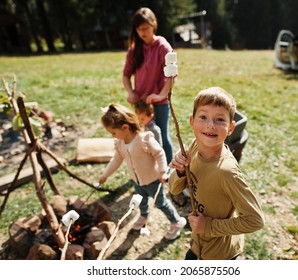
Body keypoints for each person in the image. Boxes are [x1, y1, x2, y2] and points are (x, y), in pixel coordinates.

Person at [168, 87, 265, 259]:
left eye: (220, 119)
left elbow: (255, 220)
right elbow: (174, 190)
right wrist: (181, 171)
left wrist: (208, 227)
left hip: (221, 254)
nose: (210, 125)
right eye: (203, 117)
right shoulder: (194, 146)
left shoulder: (226, 172)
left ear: (230, 128)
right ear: (192, 121)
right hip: (198, 244)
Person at [98, 103, 186, 240]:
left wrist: (163, 171)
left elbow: (159, 153)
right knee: (141, 201)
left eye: (113, 132)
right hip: (137, 181)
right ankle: (144, 216)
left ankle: (177, 221)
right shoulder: (120, 144)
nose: (112, 136)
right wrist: (105, 175)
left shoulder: (144, 139)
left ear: (125, 127)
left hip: (153, 180)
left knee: (160, 203)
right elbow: (116, 160)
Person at [122, 7, 174, 165]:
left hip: (159, 103)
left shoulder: (163, 47)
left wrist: (160, 95)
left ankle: (169, 169)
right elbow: (126, 75)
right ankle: (152, 167)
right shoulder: (134, 49)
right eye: (139, 29)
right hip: (141, 104)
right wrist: (131, 92)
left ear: (154, 24)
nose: (142, 32)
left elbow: (171, 76)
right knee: (144, 135)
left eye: (145, 28)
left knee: (161, 135)